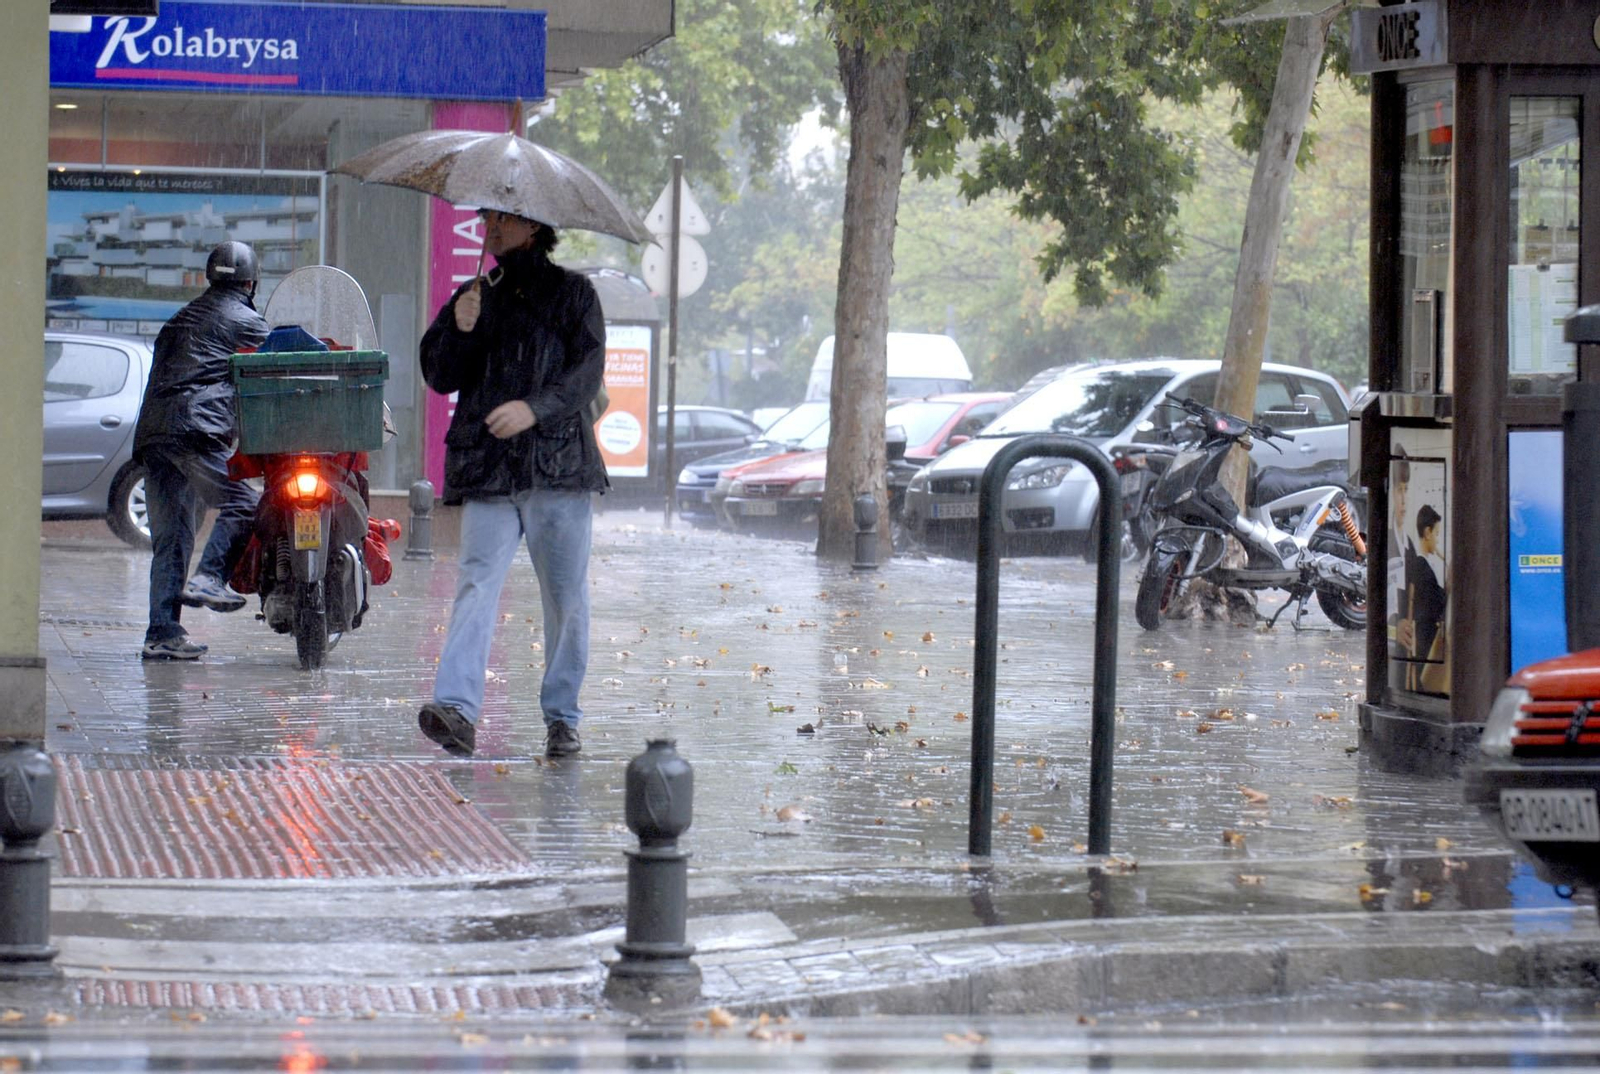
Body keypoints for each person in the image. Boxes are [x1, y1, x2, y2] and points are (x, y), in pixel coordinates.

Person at [416, 208, 607, 758]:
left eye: (503, 220)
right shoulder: (475, 294)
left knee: (565, 599)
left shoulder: (574, 294)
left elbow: (586, 375)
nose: (491, 228)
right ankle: (457, 709)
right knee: (476, 585)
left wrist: (533, 409)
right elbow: (441, 376)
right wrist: (460, 327)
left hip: (559, 469)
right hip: (490, 469)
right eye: (487, 219)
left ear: (534, 227)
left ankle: (562, 718)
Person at [132, 240, 269, 660]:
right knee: (244, 502)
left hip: (154, 437)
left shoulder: (178, 320)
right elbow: (281, 361)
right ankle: (209, 577)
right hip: (194, 430)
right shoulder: (246, 320)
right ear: (251, 283)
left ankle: (162, 633)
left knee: (172, 538)